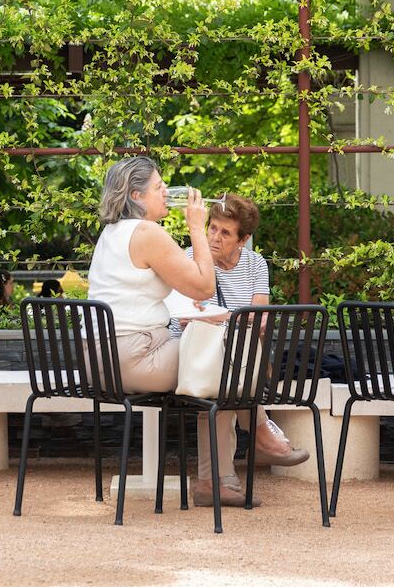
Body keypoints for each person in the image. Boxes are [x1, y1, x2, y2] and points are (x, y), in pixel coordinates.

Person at [88, 158, 298, 507]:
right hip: (135, 356)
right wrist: (197, 229)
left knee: (218, 361)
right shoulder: (147, 233)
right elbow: (203, 287)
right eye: (158, 187)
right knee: (227, 359)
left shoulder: (113, 233)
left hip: (104, 356)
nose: (167, 193)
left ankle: (218, 478)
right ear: (137, 195)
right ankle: (258, 435)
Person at [168, 193, 309, 470]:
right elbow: (186, 319)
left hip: (239, 356)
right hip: (193, 354)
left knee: (230, 375)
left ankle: (220, 479)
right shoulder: (189, 257)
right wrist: (236, 318)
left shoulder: (255, 264)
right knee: (227, 381)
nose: (215, 238)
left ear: (243, 240)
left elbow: (259, 320)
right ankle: (261, 437)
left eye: (226, 233)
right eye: (212, 228)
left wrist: (219, 317)